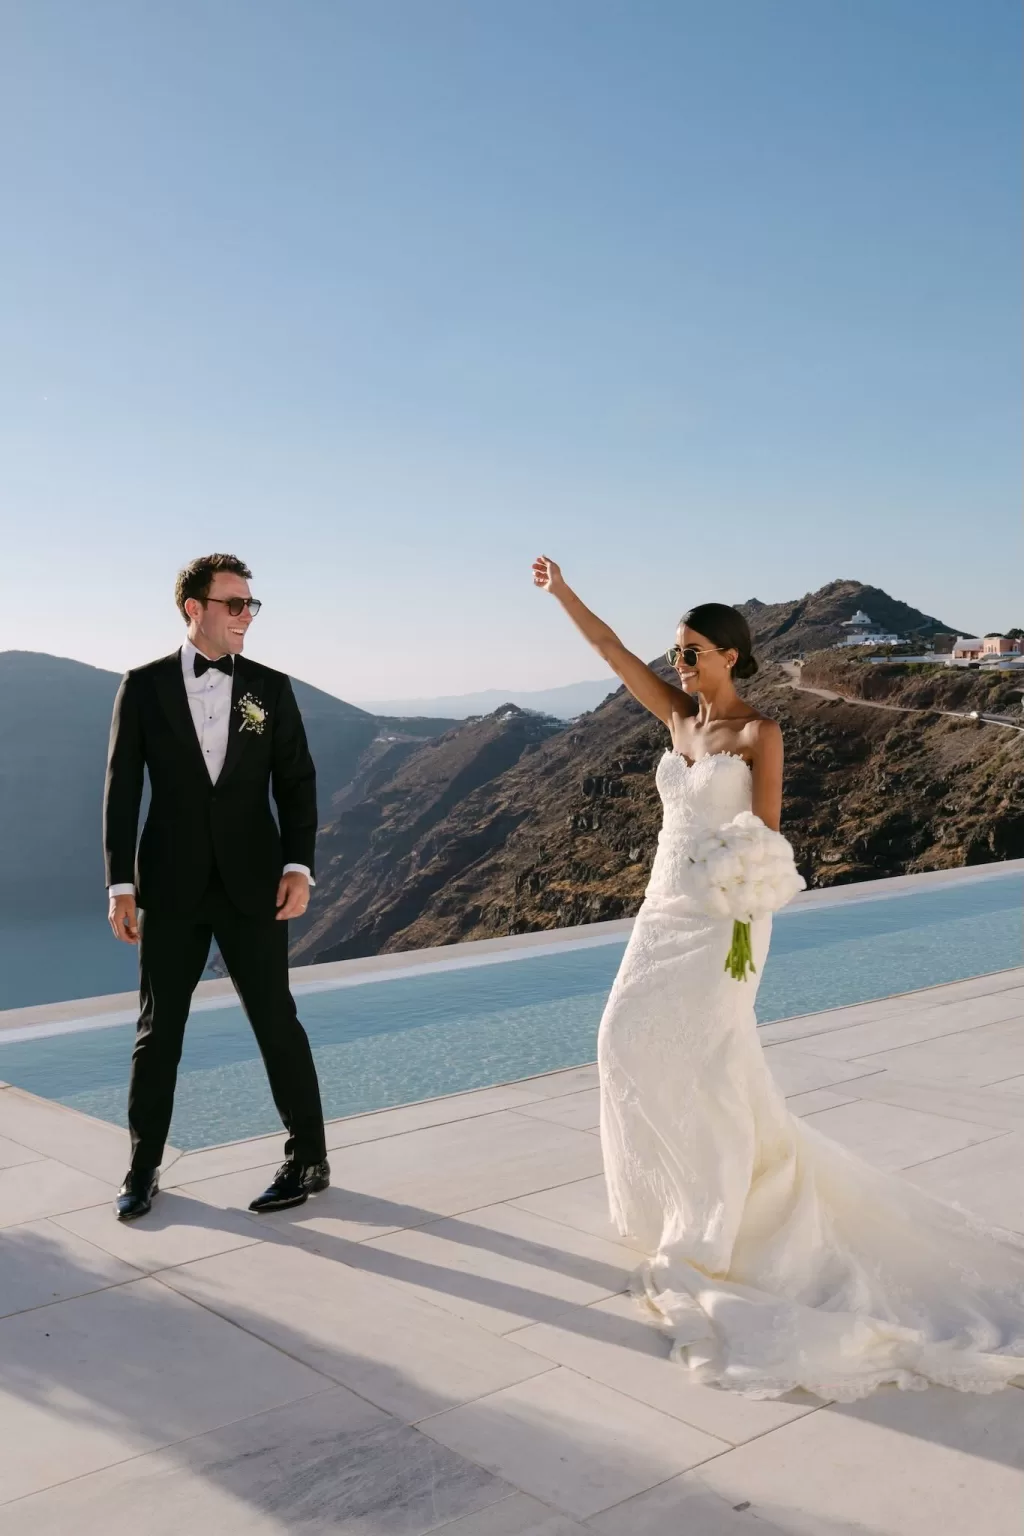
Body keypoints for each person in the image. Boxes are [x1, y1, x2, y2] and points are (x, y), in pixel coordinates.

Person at [533, 554, 1024, 1401]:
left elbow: (767, 840)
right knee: (620, 1044)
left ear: (730, 655)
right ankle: (666, 1207)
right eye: (677, 653)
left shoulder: (760, 732)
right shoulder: (678, 724)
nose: (680, 665)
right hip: (661, 916)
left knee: (714, 1068)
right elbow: (613, 654)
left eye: (693, 652)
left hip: (727, 923)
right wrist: (564, 593)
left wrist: (741, 908)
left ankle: (718, 1221)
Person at [104, 553, 329, 1221]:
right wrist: (121, 884)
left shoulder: (269, 688)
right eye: (234, 604)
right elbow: (122, 792)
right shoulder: (140, 688)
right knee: (157, 1032)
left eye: (250, 605)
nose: (246, 617)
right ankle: (143, 1169)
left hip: (253, 885)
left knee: (276, 1022)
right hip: (169, 888)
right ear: (193, 609)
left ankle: (310, 1158)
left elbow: (297, 783)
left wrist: (298, 866)